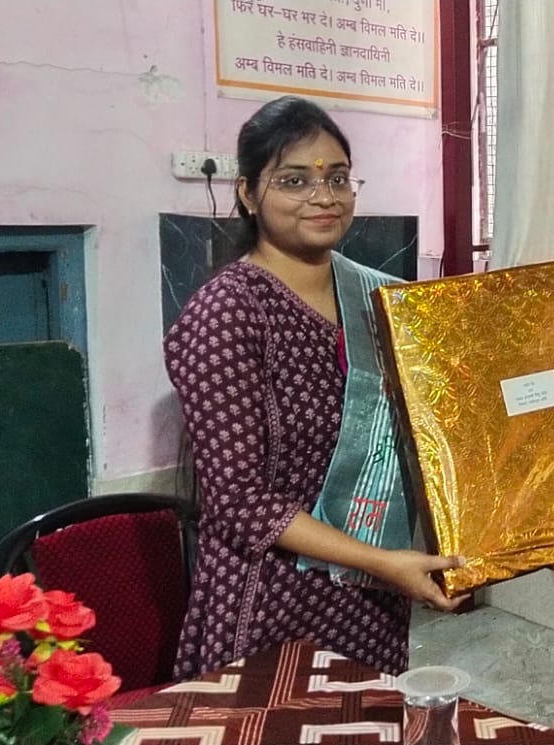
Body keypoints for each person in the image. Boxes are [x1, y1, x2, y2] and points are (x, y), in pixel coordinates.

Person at [164, 96, 461, 680]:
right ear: (249, 193)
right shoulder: (228, 312)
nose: (324, 197)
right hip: (270, 601)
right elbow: (239, 503)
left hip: (371, 599)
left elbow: (462, 394)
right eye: (294, 180)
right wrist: (382, 562)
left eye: (338, 178)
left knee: (366, 717)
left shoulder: (381, 301)